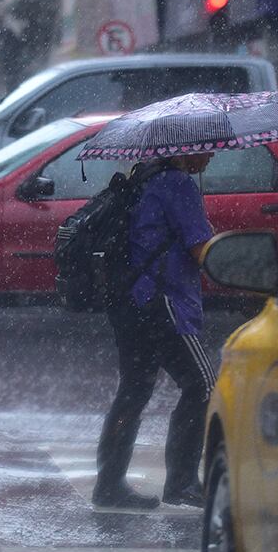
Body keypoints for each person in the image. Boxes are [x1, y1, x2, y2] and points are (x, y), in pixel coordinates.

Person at [92, 151, 217, 510]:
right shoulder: (177, 184)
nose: (211, 153)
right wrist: (233, 258)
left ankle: (109, 484)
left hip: (131, 300)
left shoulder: (144, 176)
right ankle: (181, 483)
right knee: (203, 385)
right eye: (205, 147)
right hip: (163, 301)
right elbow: (199, 249)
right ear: (183, 148)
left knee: (133, 390)